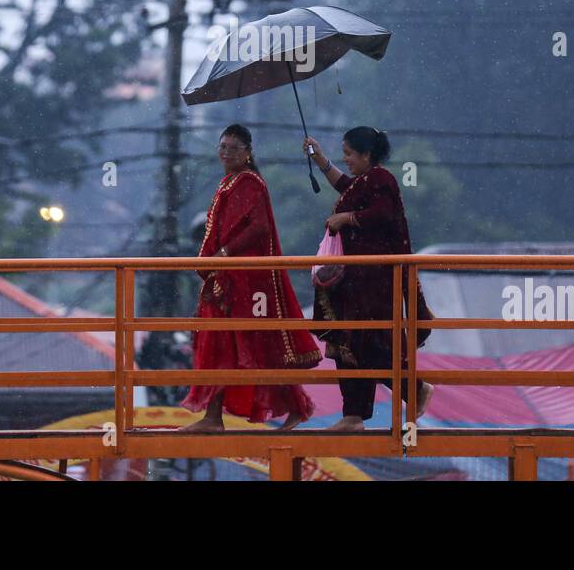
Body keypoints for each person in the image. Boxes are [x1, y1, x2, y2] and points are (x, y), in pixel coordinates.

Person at [181, 124, 321, 431]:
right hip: (227, 277)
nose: (226, 153)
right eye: (222, 146)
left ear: (248, 153)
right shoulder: (229, 183)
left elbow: (258, 228)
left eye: (234, 148)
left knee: (255, 345)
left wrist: (225, 254)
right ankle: (213, 417)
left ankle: (296, 408)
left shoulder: (249, 183)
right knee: (222, 344)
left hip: (245, 281)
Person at [304, 127, 435, 431]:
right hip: (355, 284)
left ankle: (414, 390)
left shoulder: (382, 179)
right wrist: (321, 160)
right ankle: (353, 415)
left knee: (370, 345)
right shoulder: (365, 182)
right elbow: (346, 186)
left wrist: (344, 218)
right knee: (347, 343)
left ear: (366, 155)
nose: (345, 159)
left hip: (373, 285)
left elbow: (383, 214)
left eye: (349, 153)